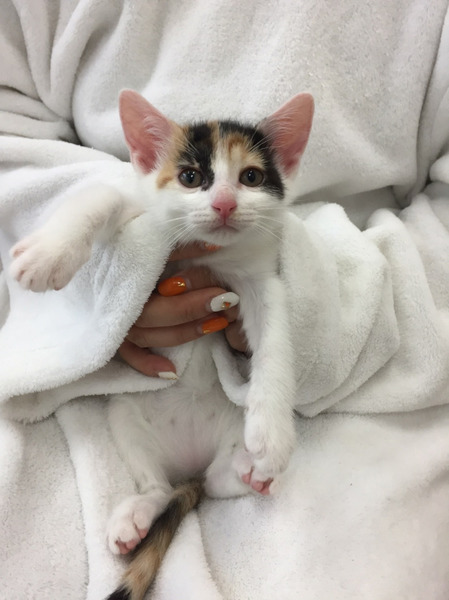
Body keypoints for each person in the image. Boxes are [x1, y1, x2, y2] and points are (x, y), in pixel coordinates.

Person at [1, 1, 449, 598]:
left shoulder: (261, 245)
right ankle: (154, 491)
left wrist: (271, 404)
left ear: (287, 166)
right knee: (118, 417)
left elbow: (269, 303)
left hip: (253, 420)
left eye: (252, 177)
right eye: (192, 178)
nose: (223, 202)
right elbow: (106, 203)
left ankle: (221, 474)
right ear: (148, 160)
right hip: (140, 408)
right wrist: (76, 255)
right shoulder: (139, 193)